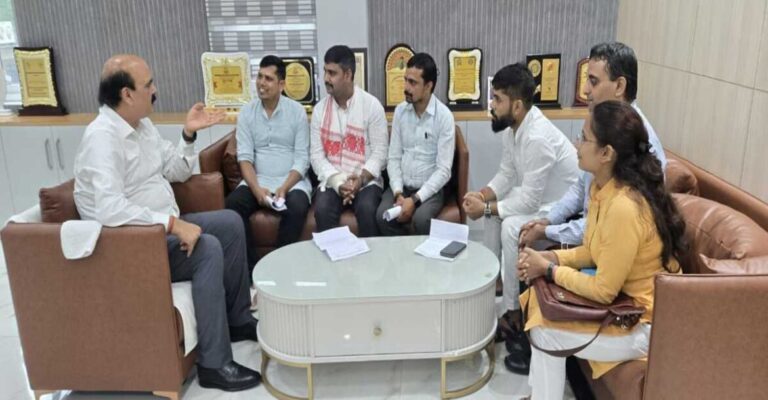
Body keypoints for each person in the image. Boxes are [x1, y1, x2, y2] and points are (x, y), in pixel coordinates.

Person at [73, 55, 261, 392]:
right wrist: (173, 225)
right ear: (127, 94)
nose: (155, 90)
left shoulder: (141, 126)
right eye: (148, 85)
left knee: (230, 223)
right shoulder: (102, 138)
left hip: (158, 228)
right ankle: (215, 364)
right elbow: (108, 208)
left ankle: (238, 320)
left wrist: (188, 134)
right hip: (131, 246)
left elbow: (178, 171)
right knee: (207, 249)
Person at [510, 42, 670, 373]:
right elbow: (584, 209)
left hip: (634, 304)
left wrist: (550, 261)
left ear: (620, 85)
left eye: (593, 81)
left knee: (545, 323)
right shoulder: (602, 178)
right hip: (607, 260)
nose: (585, 90)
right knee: (537, 283)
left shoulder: (628, 191)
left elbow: (609, 257)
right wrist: (547, 228)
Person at [514, 101, 687, 399]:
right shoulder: (601, 188)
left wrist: (551, 270)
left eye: (584, 138)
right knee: (539, 309)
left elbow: (605, 291)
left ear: (606, 153)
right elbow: (593, 252)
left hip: (647, 323)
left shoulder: (624, 206)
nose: (576, 144)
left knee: (546, 333)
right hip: (626, 306)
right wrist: (549, 256)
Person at [461, 63, 578, 362]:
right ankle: (494, 283)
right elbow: (506, 174)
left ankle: (513, 312)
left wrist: (486, 207)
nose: (491, 104)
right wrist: (482, 196)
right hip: (540, 201)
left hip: (562, 209)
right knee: (494, 215)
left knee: (511, 226)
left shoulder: (537, 137)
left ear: (516, 105)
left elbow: (528, 200)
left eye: (497, 99)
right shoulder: (513, 129)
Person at [225, 55, 311, 269]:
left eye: (269, 79)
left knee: (298, 206)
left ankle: (278, 267)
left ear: (281, 84)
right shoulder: (247, 112)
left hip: (291, 182)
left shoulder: (297, 112)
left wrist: (284, 188)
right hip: (258, 180)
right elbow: (244, 158)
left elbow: (302, 158)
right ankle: (254, 268)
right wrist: (256, 190)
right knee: (233, 205)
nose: (262, 83)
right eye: (260, 77)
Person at [310, 45, 388, 236]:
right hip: (333, 179)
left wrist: (360, 180)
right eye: (325, 72)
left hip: (366, 180)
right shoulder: (320, 110)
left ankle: (370, 257)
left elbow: (380, 153)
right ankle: (333, 256)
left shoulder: (371, 106)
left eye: (332, 73)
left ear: (348, 74)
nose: (326, 78)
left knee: (367, 209)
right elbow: (317, 156)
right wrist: (338, 182)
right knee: (322, 209)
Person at [376, 52, 455, 235]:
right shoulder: (400, 112)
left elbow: (444, 171)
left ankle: (419, 255)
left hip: (429, 190)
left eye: (412, 83)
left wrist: (415, 200)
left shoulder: (444, 117)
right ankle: (400, 254)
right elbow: (393, 157)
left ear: (428, 86)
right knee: (382, 216)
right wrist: (398, 193)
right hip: (402, 187)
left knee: (421, 220)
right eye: (405, 80)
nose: (406, 87)